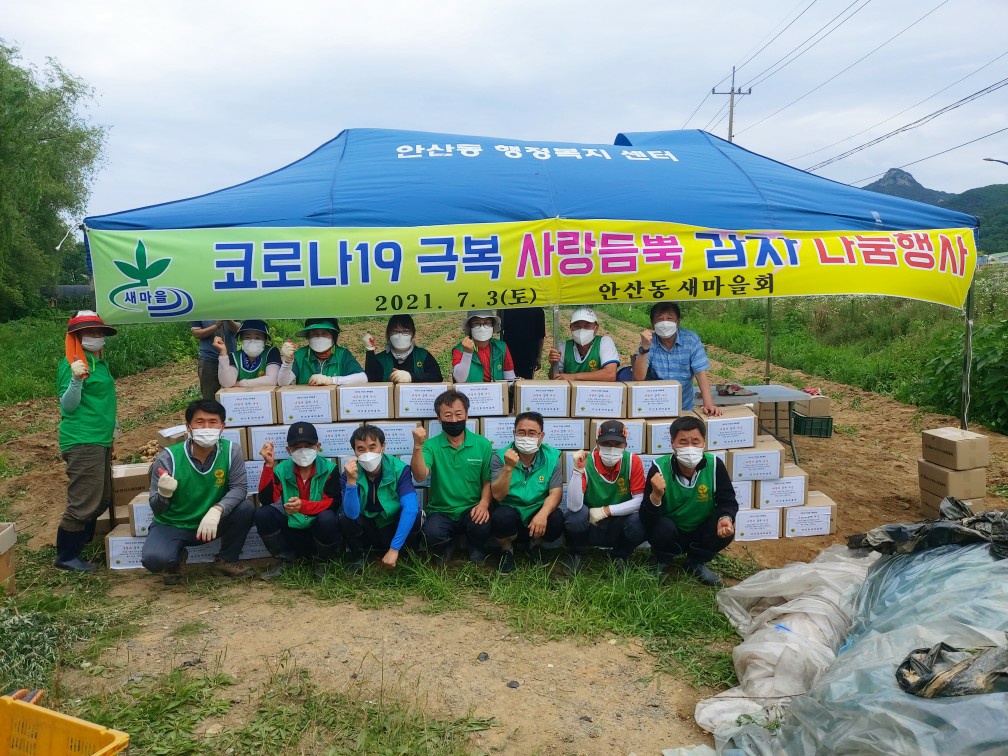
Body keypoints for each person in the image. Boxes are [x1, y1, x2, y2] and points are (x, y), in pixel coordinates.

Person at [142, 399, 254, 584]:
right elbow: (157, 508)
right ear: (188, 427)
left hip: (211, 523)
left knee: (245, 509)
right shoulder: (168, 458)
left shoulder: (231, 451)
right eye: (200, 422)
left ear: (222, 427)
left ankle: (226, 559)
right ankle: (175, 559)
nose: (206, 427)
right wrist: (163, 494)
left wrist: (217, 509)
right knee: (154, 560)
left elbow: (239, 488)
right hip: (174, 524)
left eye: (213, 422)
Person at [54, 311, 118, 572]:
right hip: (82, 439)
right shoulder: (71, 364)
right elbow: (68, 406)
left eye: (99, 332)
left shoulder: (99, 363)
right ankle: (67, 556)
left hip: (100, 438)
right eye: (89, 332)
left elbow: (105, 399)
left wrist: (113, 429)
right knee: (83, 501)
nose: (96, 336)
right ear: (77, 337)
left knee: (101, 497)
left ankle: (83, 544)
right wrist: (75, 380)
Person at [640, 415, 737, 586]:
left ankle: (696, 562)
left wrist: (726, 517)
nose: (690, 448)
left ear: (704, 443)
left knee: (723, 528)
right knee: (661, 526)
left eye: (695, 442)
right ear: (673, 444)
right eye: (683, 442)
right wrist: (655, 495)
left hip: (701, 530)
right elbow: (646, 517)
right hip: (672, 531)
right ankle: (662, 559)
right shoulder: (659, 468)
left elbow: (727, 500)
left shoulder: (715, 465)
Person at [411, 390, 494, 562]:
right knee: (432, 533)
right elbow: (419, 476)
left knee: (482, 524)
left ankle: (474, 546)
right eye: (448, 415)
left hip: (471, 508)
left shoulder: (482, 444)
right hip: (441, 510)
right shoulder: (430, 446)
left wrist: (484, 504)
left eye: (458, 414)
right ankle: (447, 545)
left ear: (467, 415)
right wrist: (417, 446)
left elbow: (487, 481)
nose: (454, 420)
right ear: (439, 418)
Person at [255, 421, 342, 581]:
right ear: (288, 450)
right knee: (263, 513)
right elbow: (266, 500)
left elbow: (333, 503)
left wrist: (303, 506)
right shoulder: (281, 469)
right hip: (292, 530)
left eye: (308, 446)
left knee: (328, 518)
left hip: (317, 531)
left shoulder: (330, 469)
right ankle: (286, 559)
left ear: (318, 447)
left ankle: (322, 561)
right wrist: (268, 465)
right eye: (296, 447)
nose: (303, 451)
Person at [564, 420, 647, 572]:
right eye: (607, 444)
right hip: (591, 523)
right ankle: (577, 553)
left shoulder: (632, 461)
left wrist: (606, 511)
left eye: (617, 444)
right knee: (575, 516)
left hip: (618, 522)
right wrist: (577, 471)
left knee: (641, 520)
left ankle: (620, 555)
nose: (612, 449)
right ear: (597, 443)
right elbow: (573, 506)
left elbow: (640, 500)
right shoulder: (587, 462)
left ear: (625, 445)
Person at [489, 412, 564, 573]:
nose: (526, 437)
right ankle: (507, 550)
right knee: (500, 517)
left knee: (556, 518)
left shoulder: (552, 457)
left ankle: (534, 546)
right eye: (521, 432)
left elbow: (556, 493)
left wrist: (543, 514)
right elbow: (497, 495)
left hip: (537, 515)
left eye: (532, 433)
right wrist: (508, 467)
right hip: (511, 515)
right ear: (514, 433)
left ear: (541, 436)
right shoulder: (499, 456)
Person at [340, 425, 420, 572]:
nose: (367, 454)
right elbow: (351, 514)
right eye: (361, 449)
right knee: (344, 516)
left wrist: (394, 548)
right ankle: (360, 557)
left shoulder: (399, 469)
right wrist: (351, 482)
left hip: (391, 526)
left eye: (372, 447)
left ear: (382, 447)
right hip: (367, 528)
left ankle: (405, 556)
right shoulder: (349, 473)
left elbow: (411, 508)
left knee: (415, 514)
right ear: (354, 451)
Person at [632, 302, 722, 416]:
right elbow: (639, 377)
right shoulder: (649, 342)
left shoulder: (691, 340)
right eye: (660, 319)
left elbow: (700, 373)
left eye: (669, 319)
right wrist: (644, 348)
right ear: (652, 323)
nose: (665, 323)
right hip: (654, 405)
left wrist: (708, 404)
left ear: (677, 321)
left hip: (684, 407)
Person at [277, 318, 367, 386]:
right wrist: (287, 362)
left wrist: (331, 380)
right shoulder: (300, 355)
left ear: (333, 336)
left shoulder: (342, 354)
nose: (319, 338)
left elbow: (362, 378)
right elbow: (282, 383)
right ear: (308, 337)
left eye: (325, 333)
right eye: (314, 334)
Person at [363, 314, 443, 383]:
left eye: (405, 331)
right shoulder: (381, 359)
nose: (400, 335)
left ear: (412, 334)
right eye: (395, 331)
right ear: (389, 334)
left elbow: (437, 377)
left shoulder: (422, 355)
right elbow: (370, 380)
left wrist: (411, 377)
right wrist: (370, 350)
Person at [547, 307, 620, 382]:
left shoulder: (604, 342)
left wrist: (573, 377)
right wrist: (553, 365)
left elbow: (610, 374)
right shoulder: (563, 348)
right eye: (577, 326)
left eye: (587, 326)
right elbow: (554, 378)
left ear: (596, 328)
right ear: (571, 328)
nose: (582, 330)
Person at [451, 310, 517, 383]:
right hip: (471, 390)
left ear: (492, 325)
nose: (482, 328)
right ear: (470, 327)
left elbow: (509, 378)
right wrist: (467, 353)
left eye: (487, 323)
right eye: (476, 323)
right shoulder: (460, 349)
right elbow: (459, 379)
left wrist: (515, 383)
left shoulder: (501, 347)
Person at [217, 319, 281, 388]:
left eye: (257, 338)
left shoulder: (271, 352)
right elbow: (227, 383)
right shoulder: (234, 357)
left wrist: (241, 383)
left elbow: (272, 380)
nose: (252, 341)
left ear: (265, 340)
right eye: (247, 337)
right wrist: (223, 354)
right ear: (241, 339)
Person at [190, 319, 240, 399]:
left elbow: (238, 330)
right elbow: (196, 333)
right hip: (209, 358)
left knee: (232, 392)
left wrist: (228, 319)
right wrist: (216, 326)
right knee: (209, 394)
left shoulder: (232, 310)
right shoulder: (199, 311)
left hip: (231, 358)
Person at [498, 307, 546, 379]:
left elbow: (540, 335)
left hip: (529, 353)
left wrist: (539, 356)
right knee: (508, 379)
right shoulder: (506, 309)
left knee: (526, 381)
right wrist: (499, 308)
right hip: (509, 352)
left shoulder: (537, 310)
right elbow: (499, 328)